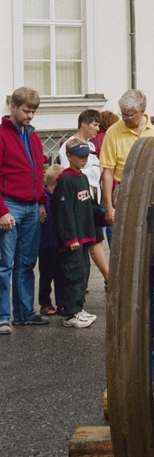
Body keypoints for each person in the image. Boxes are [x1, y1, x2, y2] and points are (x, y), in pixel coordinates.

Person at [0, 87, 49, 333]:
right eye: (26, 111)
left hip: (31, 205)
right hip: (10, 204)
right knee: (5, 264)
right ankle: (2, 317)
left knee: (26, 262)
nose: (30, 116)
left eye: (33, 112)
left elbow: (38, 170)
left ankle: (24, 313)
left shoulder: (32, 135)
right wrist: (1, 211)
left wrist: (41, 201)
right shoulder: (1, 135)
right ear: (13, 107)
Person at [99, 90, 154, 230]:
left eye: (129, 115)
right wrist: (108, 206)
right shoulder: (113, 132)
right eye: (122, 114)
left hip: (153, 188)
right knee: (125, 232)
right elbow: (108, 172)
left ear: (142, 111)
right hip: (125, 190)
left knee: (153, 231)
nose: (124, 118)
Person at [58, 109, 108, 287]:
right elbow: (70, 174)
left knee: (94, 240)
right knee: (93, 241)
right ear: (83, 124)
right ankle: (107, 277)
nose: (97, 129)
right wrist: (95, 171)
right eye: (94, 125)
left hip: (92, 199)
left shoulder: (91, 146)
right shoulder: (69, 146)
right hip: (79, 201)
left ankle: (84, 282)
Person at [54, 139, 100, 328]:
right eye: (80, 156)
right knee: (73, 274)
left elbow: (87, 208)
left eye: (86, 156)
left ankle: (78, 308)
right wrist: (70, 238)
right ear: (69, 157)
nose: (84, 159)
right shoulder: (65, 180)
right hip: (73, 240)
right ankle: (71, 312)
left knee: (83, 273)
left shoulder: (83, 178)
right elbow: (63, 212)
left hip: (83, 236)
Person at [38, 164, 65, 316]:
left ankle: (61, 302)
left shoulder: (61, 196)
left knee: (61, 275)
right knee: (46, 276)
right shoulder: (44, 198)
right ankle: (45, 302)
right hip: (46, 244)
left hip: (60, 243)